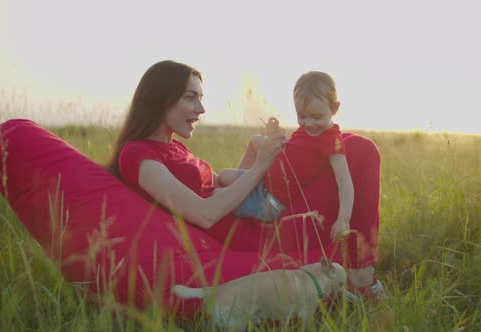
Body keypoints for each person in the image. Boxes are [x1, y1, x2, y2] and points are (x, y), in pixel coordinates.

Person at [106, 60, 384, 304]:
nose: (201, 108)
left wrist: (254, 153)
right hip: (261, 233)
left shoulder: (176, 148)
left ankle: (360, 269)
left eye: (201, 98)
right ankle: (362, 275)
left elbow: (225, 190)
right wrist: (260, 166)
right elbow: (205, 213)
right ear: (160, 99)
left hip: (255, 214)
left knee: (348, 144)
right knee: (362, 150)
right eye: (191, 98)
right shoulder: (137, 154)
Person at [217, 71, 385, 302]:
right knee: (224, 176)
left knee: (223, 199)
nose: (308, 123)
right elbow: (292, 154)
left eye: (316, 116)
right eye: (301, 116)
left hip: (270, 204)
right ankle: (218, 198)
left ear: (335, 109)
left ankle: (217, 205)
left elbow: (344, 182)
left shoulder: (331, 141)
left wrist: (343, 217)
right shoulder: (307, 130)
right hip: (262, 186)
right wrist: (274, 135)